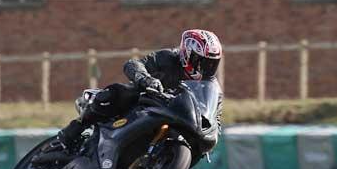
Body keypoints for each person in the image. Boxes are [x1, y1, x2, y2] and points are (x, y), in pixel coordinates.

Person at [54, 28, 223, 151]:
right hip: (146, 101)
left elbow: (215, 116)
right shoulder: (168, 58)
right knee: (117, 93)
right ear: (188, 54)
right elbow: (134, 64)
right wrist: (146, 79)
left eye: (211, 63)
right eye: (202, 61)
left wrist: (212, 129)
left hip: (177, 116)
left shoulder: (211, 87)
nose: (206, 68)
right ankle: (73, 130)